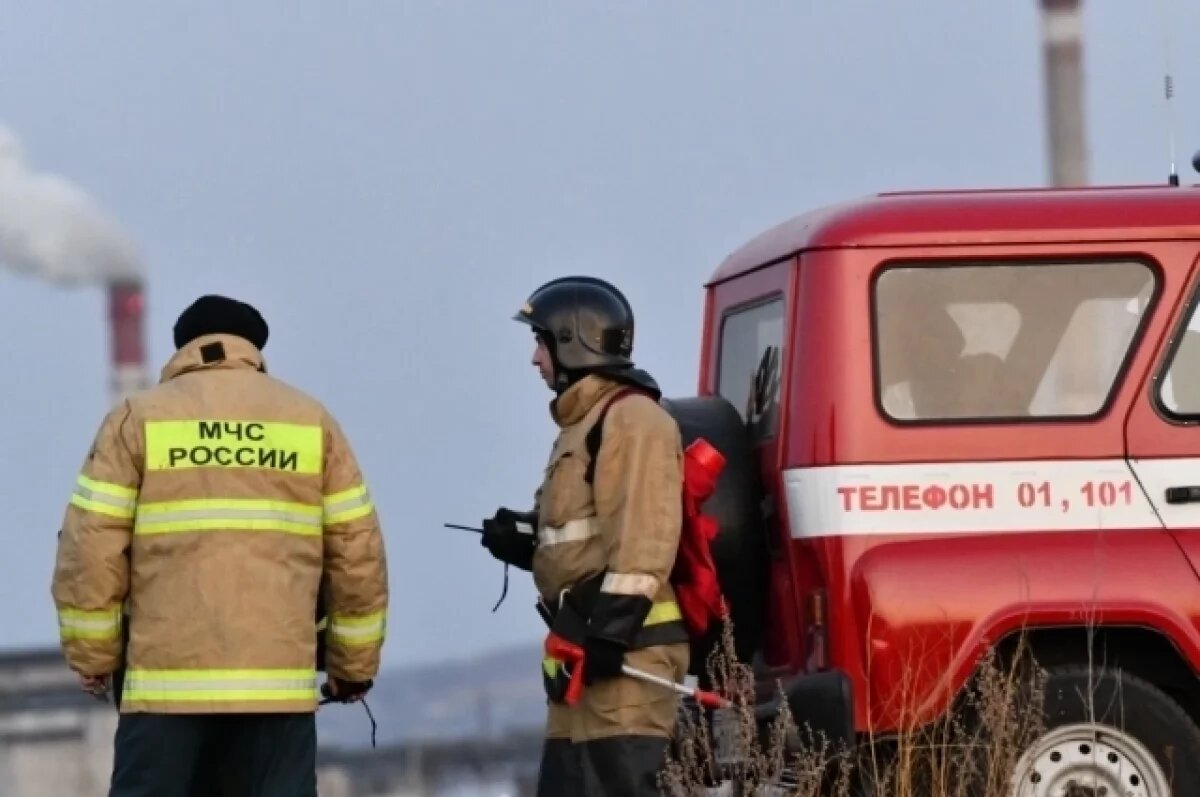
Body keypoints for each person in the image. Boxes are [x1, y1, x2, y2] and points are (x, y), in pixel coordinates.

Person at [50, 294, 389, 796]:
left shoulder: (136, 420)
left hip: (164, 694)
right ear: (254, 349)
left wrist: (94, 657)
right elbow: (356, 553)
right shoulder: (310, 422)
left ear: (183, 348)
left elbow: (90, 546)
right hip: (277, 695)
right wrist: (352, 667)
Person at [481, 276, 690, 797]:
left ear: (575, 340)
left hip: (626, 664)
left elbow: (644, 549)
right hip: (582, 662)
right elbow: (580, 540)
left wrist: (603, 635)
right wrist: (524, 539)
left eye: (541, 341)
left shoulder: (633, 421)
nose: (534, 358)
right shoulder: (580, 426)